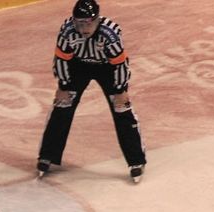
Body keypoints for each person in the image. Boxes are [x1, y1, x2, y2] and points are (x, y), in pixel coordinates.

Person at [37, 0, 146, 183]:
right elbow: (61, 59)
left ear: (97, 20)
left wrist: (120, 90)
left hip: (107, 69)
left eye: (89, 23)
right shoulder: (67, 31)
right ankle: (47, 155)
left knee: (122, 109)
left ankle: (136, 161)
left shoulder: (110, 34)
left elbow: (119, 63)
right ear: (74, 21)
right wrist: (63, 86)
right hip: (78, 67)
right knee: (62, 107)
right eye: (80, 23)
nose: (84, 28)